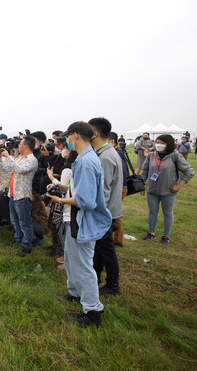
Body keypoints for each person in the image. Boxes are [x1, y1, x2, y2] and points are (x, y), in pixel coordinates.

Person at [50, 121, 112, 328]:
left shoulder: (86, 162)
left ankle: (93, 312)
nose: (65, 140)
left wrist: (59, 200)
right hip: (72, 218)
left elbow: (85, 201)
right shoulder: (83, 159)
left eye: (67, 136)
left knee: (84, 266)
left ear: (75, 135)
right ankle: (75, 293)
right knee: (71, 259)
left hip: (80, 220)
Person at [88, 117, 122, 297]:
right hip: (105, 211)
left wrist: (98, 214)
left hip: (104, 212)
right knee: (100, 250)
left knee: (107, 250)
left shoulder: (105, 157)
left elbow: (104, 190)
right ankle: (97, 277)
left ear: (94, 134)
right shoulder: (103, 153)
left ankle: (113, 285)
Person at [140, 134, 194, 244]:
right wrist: (142, 184)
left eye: (162, 143)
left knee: (167, 213)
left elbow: (189, 172)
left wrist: (179, 185)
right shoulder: (151, 155)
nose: (159, 145)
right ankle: (151, 232)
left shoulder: (175, 156)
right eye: (157, 142)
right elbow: (144, 171)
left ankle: (166, 235)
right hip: (152, 189)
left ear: (168, 144)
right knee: (152, 211)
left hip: (168, 190)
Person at [0, 135, 38, 257]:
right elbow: (6, 168)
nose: (18, 147)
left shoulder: (32, 160)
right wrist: (0, 158)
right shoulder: (20, 158)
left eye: (20, 144)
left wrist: (9, 157)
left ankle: (27, 246)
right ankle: (18, 240)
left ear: (26, 146)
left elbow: (20, 169)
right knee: (15, 221)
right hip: (13, 194)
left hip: (23, 196)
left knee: (25, 223)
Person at [108, 131, 129, 246]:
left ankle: (117, 239)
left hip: (120, 187)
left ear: (112, 141)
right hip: (120, 186)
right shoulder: (116, 152)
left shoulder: (116, 153)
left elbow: (121, 172)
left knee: (115, 214)